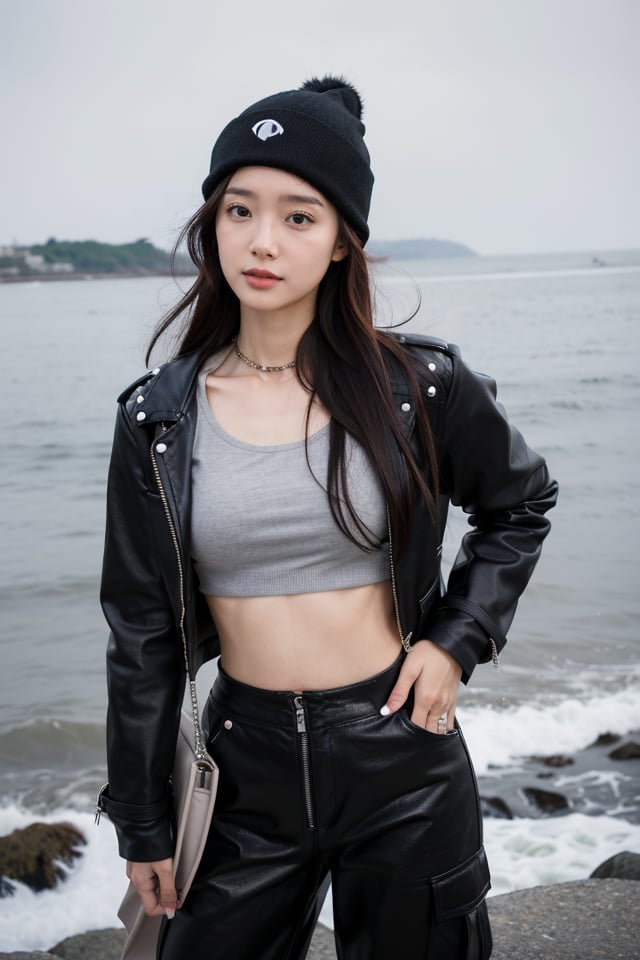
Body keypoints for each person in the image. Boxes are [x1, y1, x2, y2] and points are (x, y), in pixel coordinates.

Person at [98, 76, 558, 960]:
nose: (262, 241)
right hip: (242, 770)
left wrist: (455, 640)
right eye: (239, 210)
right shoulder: (157, 418)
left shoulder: (419, 387)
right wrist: (141, 817)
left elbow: (521, 502)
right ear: (213, 224)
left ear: (345, 239)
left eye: (299, 216)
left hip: (403, 759)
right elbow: (141, 630)